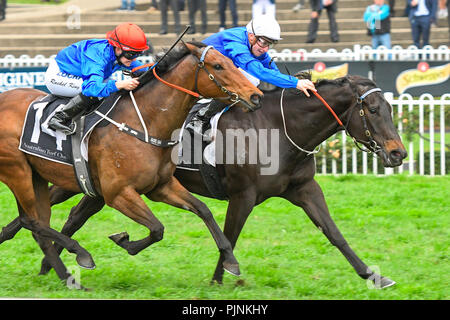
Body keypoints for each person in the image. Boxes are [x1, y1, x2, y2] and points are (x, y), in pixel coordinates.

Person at [192, 15, 316, 130]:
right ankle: (202, 117)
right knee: (251, 79)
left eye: (270, 44)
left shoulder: (254, 44)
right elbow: (259, 71)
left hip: (214, 75)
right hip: (195, 75)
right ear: (251, 36)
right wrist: (295, 83)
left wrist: (291, 85)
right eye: (263, 42)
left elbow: (272, 70)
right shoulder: (235, 42)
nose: (265, 49)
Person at [44, 23, 149, 134]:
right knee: (100, 89)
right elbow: (91, 88)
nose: (134, 59)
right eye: (131, 54)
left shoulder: (120, 54)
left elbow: (144, 69)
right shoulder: (97, 55)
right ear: (118, 49)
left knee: (111, 85)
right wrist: (120, 84)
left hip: (79, 74)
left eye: (138, 54)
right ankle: (60, 118)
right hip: (59, 75)